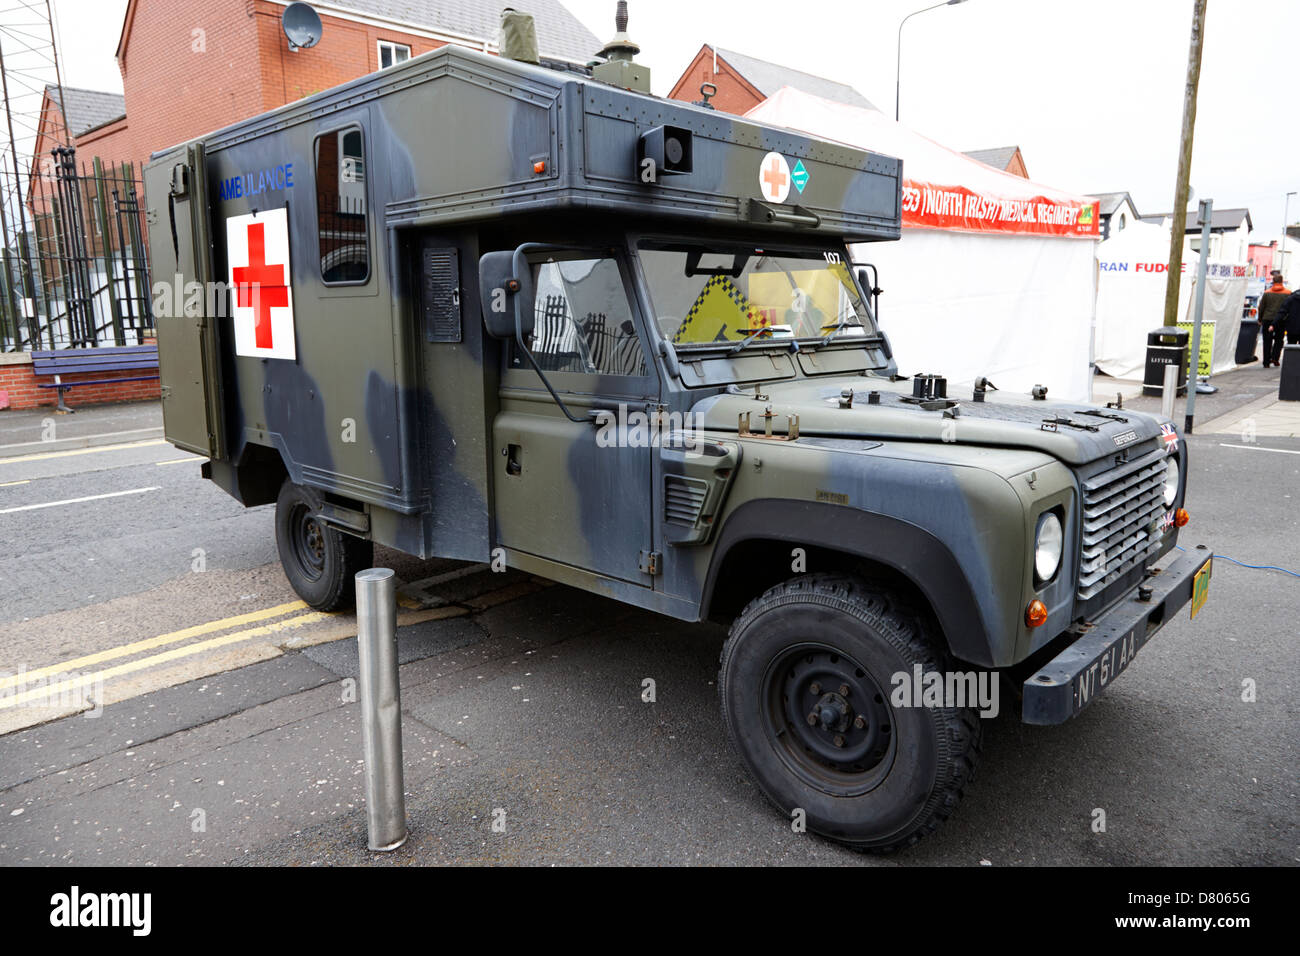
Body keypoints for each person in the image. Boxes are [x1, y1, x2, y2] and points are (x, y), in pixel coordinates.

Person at [1257, 271, 1290, 366]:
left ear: (1273, 281)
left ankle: (1266, 362)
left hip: (1267, 319)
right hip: (1281, 320)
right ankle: (1275, 358)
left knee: (1267, 340)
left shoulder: (1267, 293)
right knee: (1279, 340)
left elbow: (1261, 307)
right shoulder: (1288, 293)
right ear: (1282, 281)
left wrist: (1260, 319)